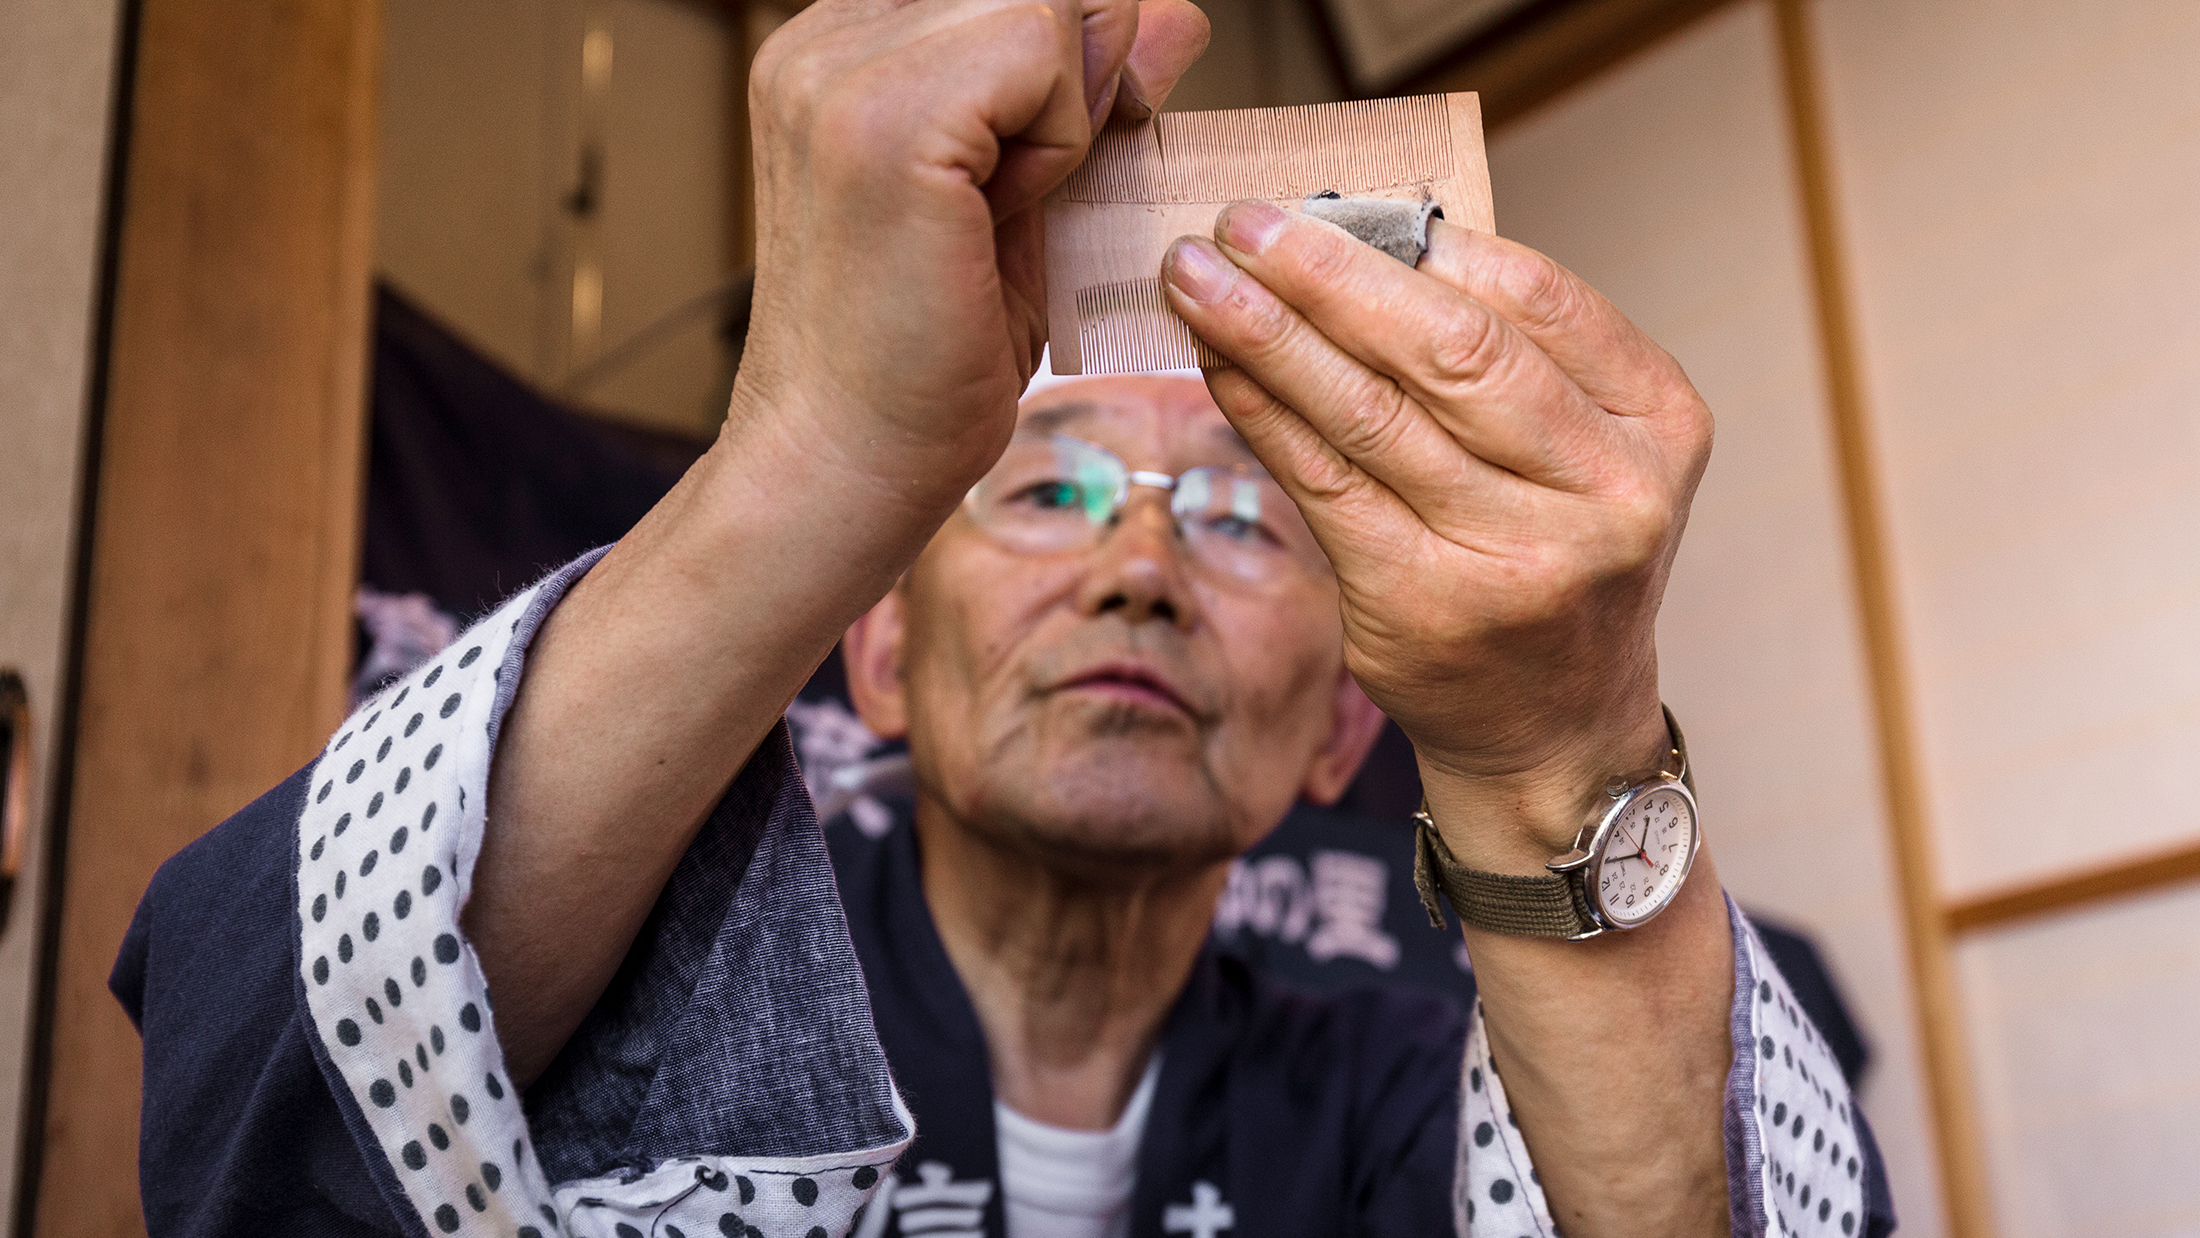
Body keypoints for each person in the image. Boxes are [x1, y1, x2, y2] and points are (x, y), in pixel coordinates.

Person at [111, 1, 1893, 1236]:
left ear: (1343, 724)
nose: (1140, 569)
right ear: (880, 654)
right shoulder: (678, 1017)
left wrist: (1551, 745)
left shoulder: (1392, 1080)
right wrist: (810, 458)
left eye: (1234, 519)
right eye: (1049, 495)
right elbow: (257, 1136)